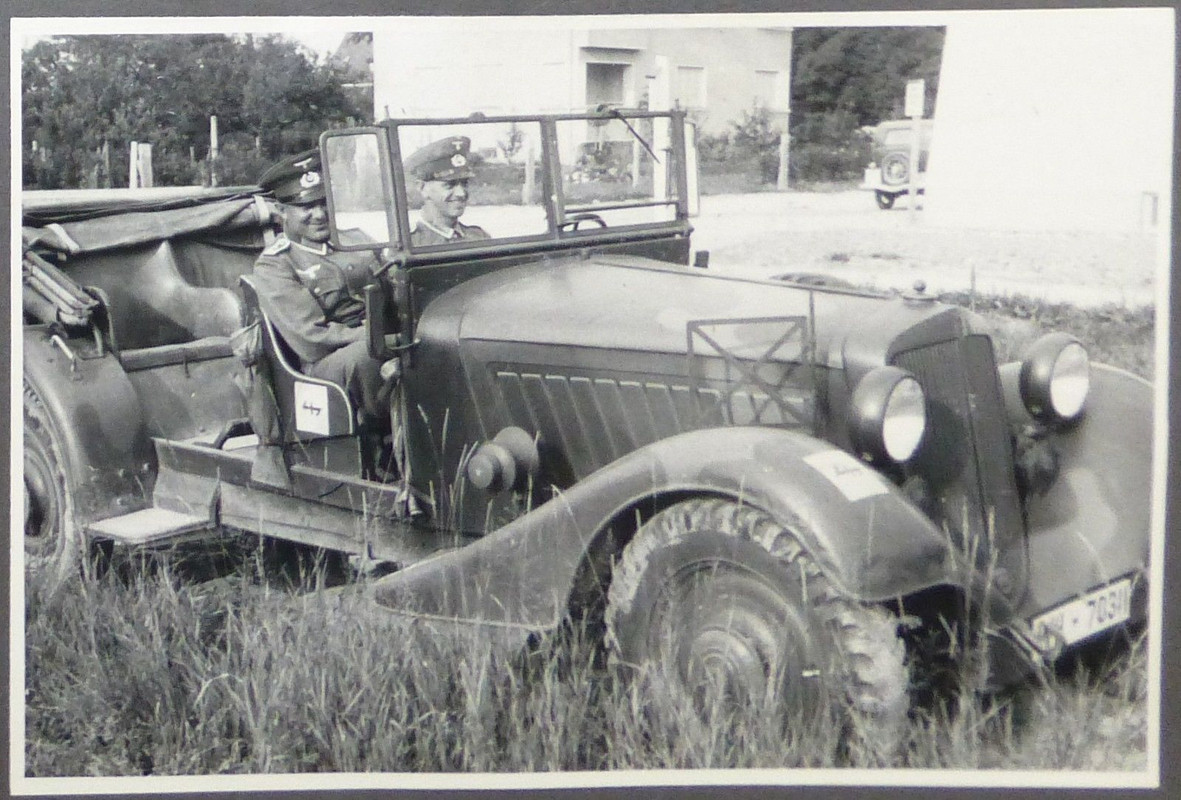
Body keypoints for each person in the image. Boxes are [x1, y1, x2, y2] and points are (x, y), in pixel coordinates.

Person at [251, 149, 388, 426]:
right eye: (306, 207)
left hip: (379, 340)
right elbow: (312, 340)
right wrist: (374, 336)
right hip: (324, 367)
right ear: (281, 212)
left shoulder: (356, 240)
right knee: (369, 356)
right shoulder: (276, 265)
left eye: (324, 203)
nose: (320, 214)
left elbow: (394, 285)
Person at [404, 136, 490, 246]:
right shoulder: (410, 244)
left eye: (464, 183)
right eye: (449, 184)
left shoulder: (480, 238)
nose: (461, 193)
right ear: (422, 188)